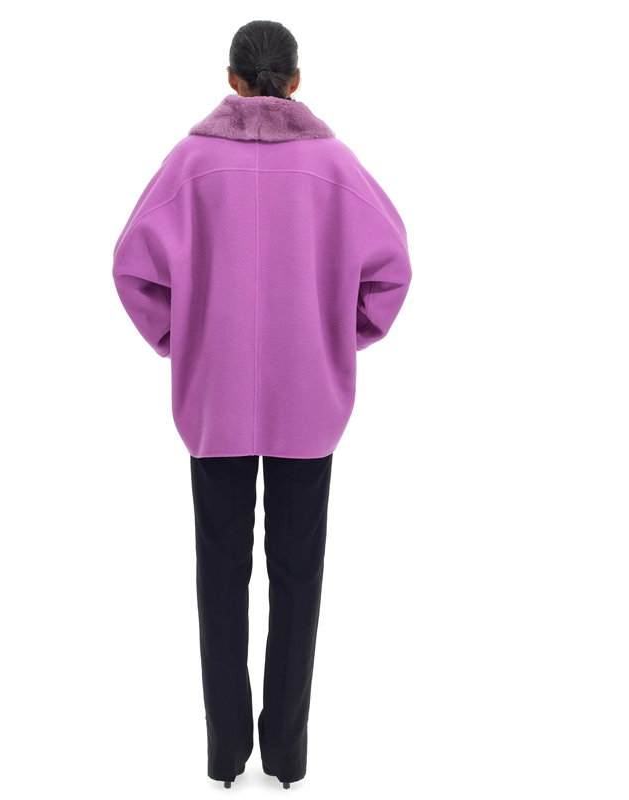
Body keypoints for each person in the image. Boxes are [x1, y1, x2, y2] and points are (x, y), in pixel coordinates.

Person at [112, 19, 412, 790]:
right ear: (297, 80)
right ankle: (286, 756)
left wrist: (180, 339)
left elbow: (131, 268)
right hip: (308, 403)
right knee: (298, 578)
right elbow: (393, 272)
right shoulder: (335, 165)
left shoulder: (189, 163)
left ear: (232, 78)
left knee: (219, 576)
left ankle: (224, 758)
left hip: (214, 400)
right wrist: (339, 337)